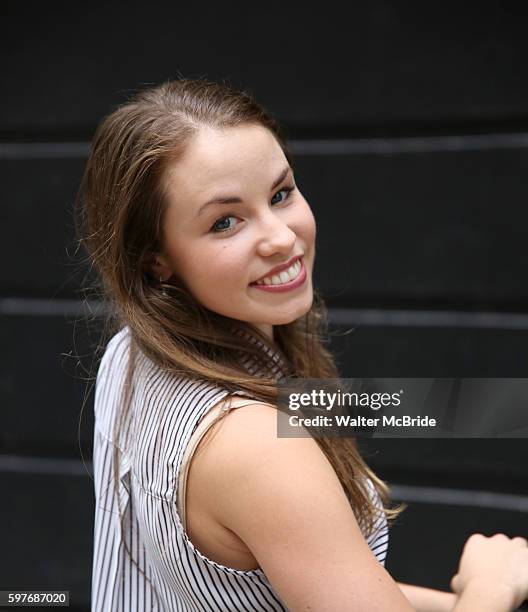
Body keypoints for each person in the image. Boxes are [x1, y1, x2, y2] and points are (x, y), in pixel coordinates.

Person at [77, 78, 528, 611]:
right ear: (156, 258)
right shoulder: (259, 448)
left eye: (280, 194)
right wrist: (493, 586)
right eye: (225, 222)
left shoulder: (131, 354)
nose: (282, 237)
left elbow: (305, 577)